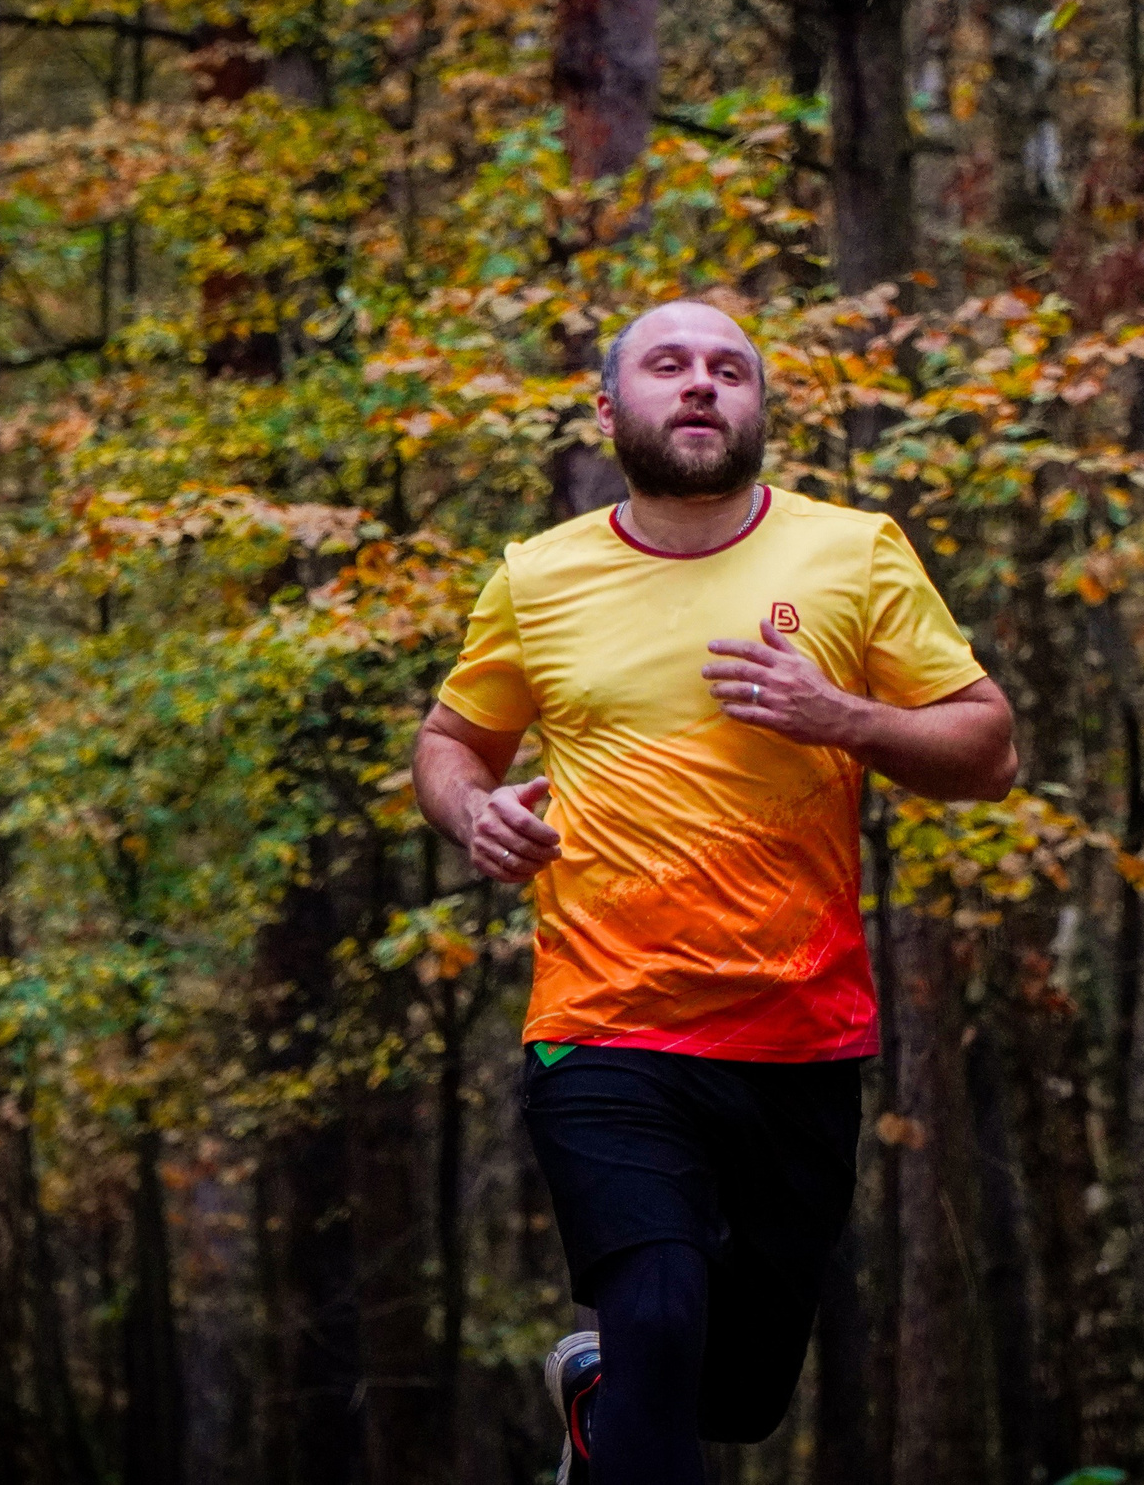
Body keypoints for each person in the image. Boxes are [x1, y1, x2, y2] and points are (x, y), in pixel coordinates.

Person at [412, 301, 1017, 1485]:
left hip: (799, 1032)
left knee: (732, 1394)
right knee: (657, 1310)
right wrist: (469, 810)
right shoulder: (539, 576)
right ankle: (624, 1376)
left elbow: (988, 754)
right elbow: (451, 741)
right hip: (603, 1022)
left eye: (728, 370)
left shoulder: (851, 552)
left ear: (757, 407)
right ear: (608, 410)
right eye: (668, 365)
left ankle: (596, 1396)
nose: (701, 385)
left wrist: (843, 716)